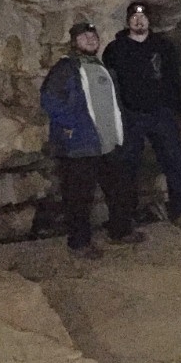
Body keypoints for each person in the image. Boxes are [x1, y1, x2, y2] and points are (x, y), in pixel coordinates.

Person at [41, 21, 143, 257]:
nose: (90, 39)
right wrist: (71, 126)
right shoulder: (65, 68)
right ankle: (79, 243)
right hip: (80, 145)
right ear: (74, 42)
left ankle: (120, 230)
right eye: (83, 36)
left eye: (93, 35)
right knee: (79, 197)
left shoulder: (102, 69)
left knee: (118, 189)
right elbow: (49, 100)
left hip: (107, 143)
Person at [100, 2, 181, 229]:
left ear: (149, 21)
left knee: (175, 161)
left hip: (161, 114)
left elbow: (173, 78)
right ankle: (126, 215)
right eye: (134, 17)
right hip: (131, 115)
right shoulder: (115, 49)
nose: (138, 20)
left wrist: (174, 108)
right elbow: (110, 84)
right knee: (126, 167)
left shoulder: (163, 46)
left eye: (142, 17)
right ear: (128, 21)